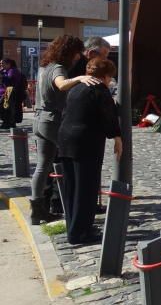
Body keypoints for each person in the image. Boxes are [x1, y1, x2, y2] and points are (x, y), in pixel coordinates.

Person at [29, 36, 100, 225]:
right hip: (53, 121)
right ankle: (72, 205)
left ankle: (37, 211)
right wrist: (79, 78)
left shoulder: (44, 67)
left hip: (39, 120)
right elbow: (61, 84)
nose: (78, 58)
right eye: (77, 54)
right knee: (74, 161)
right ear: (69, 51)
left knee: (43, 166)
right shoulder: (58, 68)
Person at [57, 58, 122, 244]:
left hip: (65, 139)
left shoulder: (76, 88)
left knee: (72, 186)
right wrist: (117, 137)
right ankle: (80, 232)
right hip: (86, 142)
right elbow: (108, 118)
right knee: (86, 188)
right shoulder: (99, 90)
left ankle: (72, 227)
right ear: (106, 75)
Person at [0, 58, 26, 129]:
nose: (1, 65)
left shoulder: (12, 71)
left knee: (6, 108)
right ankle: (9, 123)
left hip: (10, 93)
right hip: (6, 93)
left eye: (3, 63)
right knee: (7, 108)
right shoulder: (5, 71)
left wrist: (2, 76)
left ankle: (8, 123)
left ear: (8, 64)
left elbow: (9, 81)